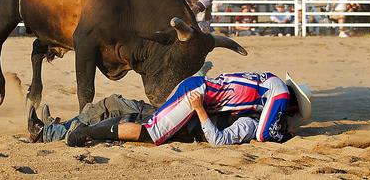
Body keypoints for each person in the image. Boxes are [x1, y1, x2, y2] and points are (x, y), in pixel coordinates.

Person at [63, 71, 312, 147]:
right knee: (152, 133)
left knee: (147, 117)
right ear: (292, 105)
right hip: (199, 95)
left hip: (200, 89)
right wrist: (284, 134)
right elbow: (263, 134)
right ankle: (87, 132)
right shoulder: (278, 94)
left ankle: (92, 129)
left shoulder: (269, 82)